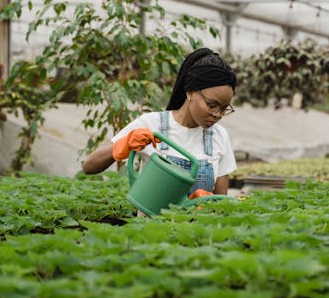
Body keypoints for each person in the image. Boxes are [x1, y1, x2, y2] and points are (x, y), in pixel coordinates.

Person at [82, 47, 237, 196]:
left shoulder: (219, 136)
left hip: (197, 223)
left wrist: (204, 203)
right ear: (190, 92)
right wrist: (125, 144)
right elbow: (89, 167)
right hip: (153, 223)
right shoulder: (151, 124)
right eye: (212, 105)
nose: (217, 114)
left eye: (224, 109)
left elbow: (220, 202)